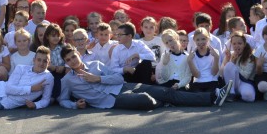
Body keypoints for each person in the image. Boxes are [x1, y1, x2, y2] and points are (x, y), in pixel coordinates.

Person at [57, 46, 220, 111]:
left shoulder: (96, 65)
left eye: (74, 56)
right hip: (110, 101)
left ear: (79, 54)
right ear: (66, 62)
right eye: (68, 60)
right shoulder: (67, 81)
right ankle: (165, 102)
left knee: (166, 92)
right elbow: (62, 100)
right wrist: (74, 105)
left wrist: (98, 79)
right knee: (144, 99)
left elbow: (119, 78)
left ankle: (212, 97)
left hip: (123, 87)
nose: (73, 61)